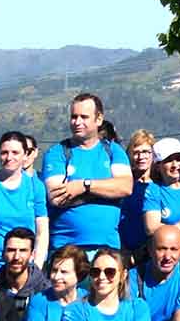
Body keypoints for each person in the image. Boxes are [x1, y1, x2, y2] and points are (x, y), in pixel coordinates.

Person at [41, 92, 135, 260]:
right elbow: (57, 197)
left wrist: (83, 186)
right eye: (73, 117)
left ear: (98, 120)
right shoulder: (57, 153)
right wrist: (108, 194)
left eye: (84, 117)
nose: (77, 122)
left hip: (107, 250)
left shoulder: (113, 151)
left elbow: (125, 187)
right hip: (66, 250)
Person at [0, 132, 48, 269]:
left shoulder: (35, 186)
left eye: (15, 152)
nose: (9, 157)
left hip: (24, 267)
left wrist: (37, 268)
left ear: (25, 155)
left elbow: (42, 232)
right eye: (4, 152)